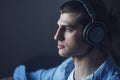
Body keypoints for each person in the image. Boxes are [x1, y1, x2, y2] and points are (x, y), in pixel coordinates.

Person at [13, 0, 120, 80]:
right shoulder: (66, 68)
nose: (56, 36)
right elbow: (26, 77)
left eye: (68, 29)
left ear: (94, 34)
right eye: (59, 27)